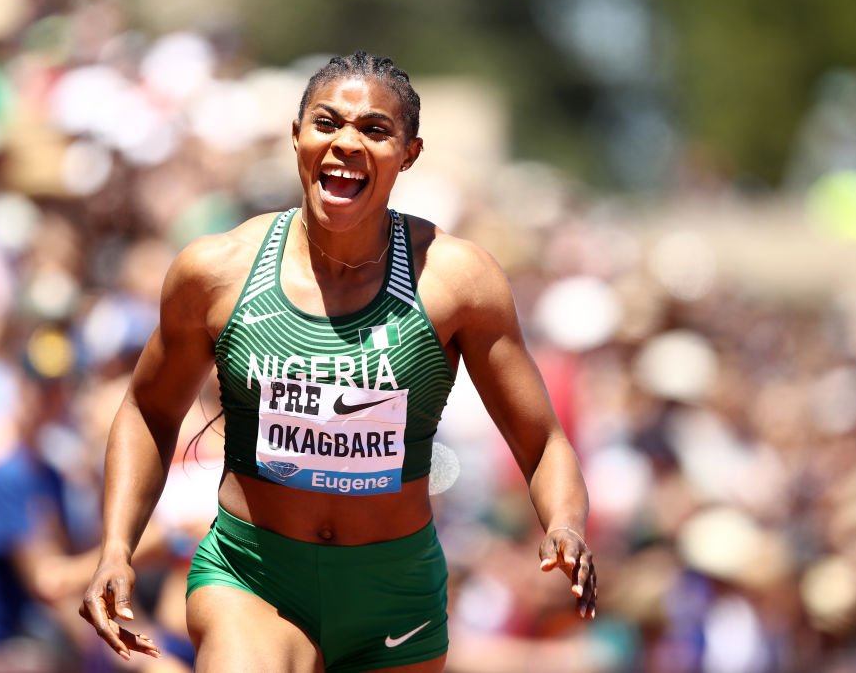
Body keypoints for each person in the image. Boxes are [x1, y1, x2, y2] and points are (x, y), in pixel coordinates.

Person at [80, 50, 597, 672]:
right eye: (326, 123)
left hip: (393, 592)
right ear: (295, 136)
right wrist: (116, 547)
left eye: (375, 130)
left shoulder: (457, 281)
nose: (346, 143)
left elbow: (542, 441)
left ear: (409, 153)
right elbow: (149, 410)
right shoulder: (217, 271)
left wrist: (565, 525)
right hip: (254, 577)